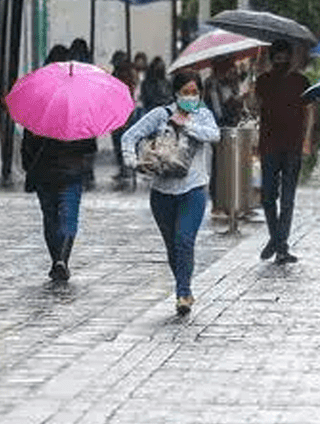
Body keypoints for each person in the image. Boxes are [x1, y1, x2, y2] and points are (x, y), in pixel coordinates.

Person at [121, 71, 221, 316]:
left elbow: (214, 135)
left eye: (194, 92)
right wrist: (132, 161)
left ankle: (183, 292)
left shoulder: (203, 115)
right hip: (162, 192)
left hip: (194, 189)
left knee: (184, 240)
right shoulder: (159, 115)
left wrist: (186, 124)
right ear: (176, 93)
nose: (190, 97)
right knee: (172, 246)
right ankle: (183, 287)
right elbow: (129, 136)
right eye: (185, 92)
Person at [21, 44, 97, 282]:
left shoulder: (36, 103)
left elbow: (27, 146)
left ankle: (58, 260)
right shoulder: (81, 106)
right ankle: (61, 260)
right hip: (70, 171)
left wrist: (29, 166)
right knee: (67, 216)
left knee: (51, 217)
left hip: (44, 172)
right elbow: (90, 146)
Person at [254, 39, 314, 264]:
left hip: (293, 144)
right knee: (268, 196)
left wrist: (307, 140)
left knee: (288, 198)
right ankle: (277, 240)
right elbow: (253, 106)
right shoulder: (263, 81)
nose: (281, 61)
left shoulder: (301, 81)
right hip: (269, 144)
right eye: (276, 57)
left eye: (284, 57)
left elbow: (310, 111)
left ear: (290, 58)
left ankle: (281, 245)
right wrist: (257, 70)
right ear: (271, 59)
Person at [110, 54, 140, 188]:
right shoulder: (116, 74)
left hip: (125, 110)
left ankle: (127, 167)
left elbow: (131, 90)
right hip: (115, 110)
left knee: (124, 141)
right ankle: (123, 168)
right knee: (117, 142)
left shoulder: (128, 74)